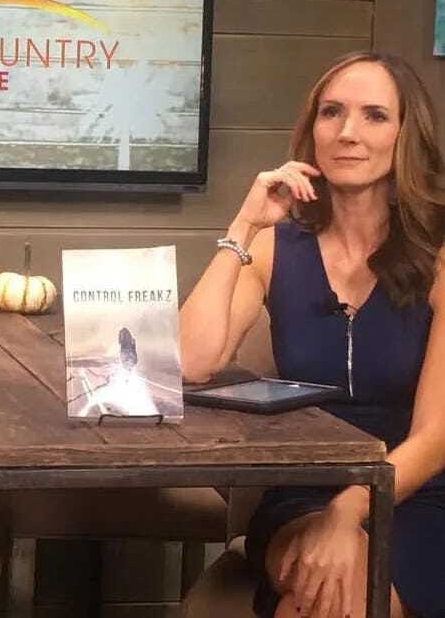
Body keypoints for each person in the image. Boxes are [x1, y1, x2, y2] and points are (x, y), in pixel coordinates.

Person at [179, 51, 445, 618]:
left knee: (325, 604)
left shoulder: (440, 255)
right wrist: (244, 224)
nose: (348, 132)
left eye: (375, 115)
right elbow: (190, 361)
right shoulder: (275, 247)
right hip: (302, 495)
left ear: (406, 136)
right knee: (326, 597)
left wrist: (348, 513)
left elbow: (435, 436)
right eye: (332, 112)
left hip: (421, 494)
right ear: (312, 129)